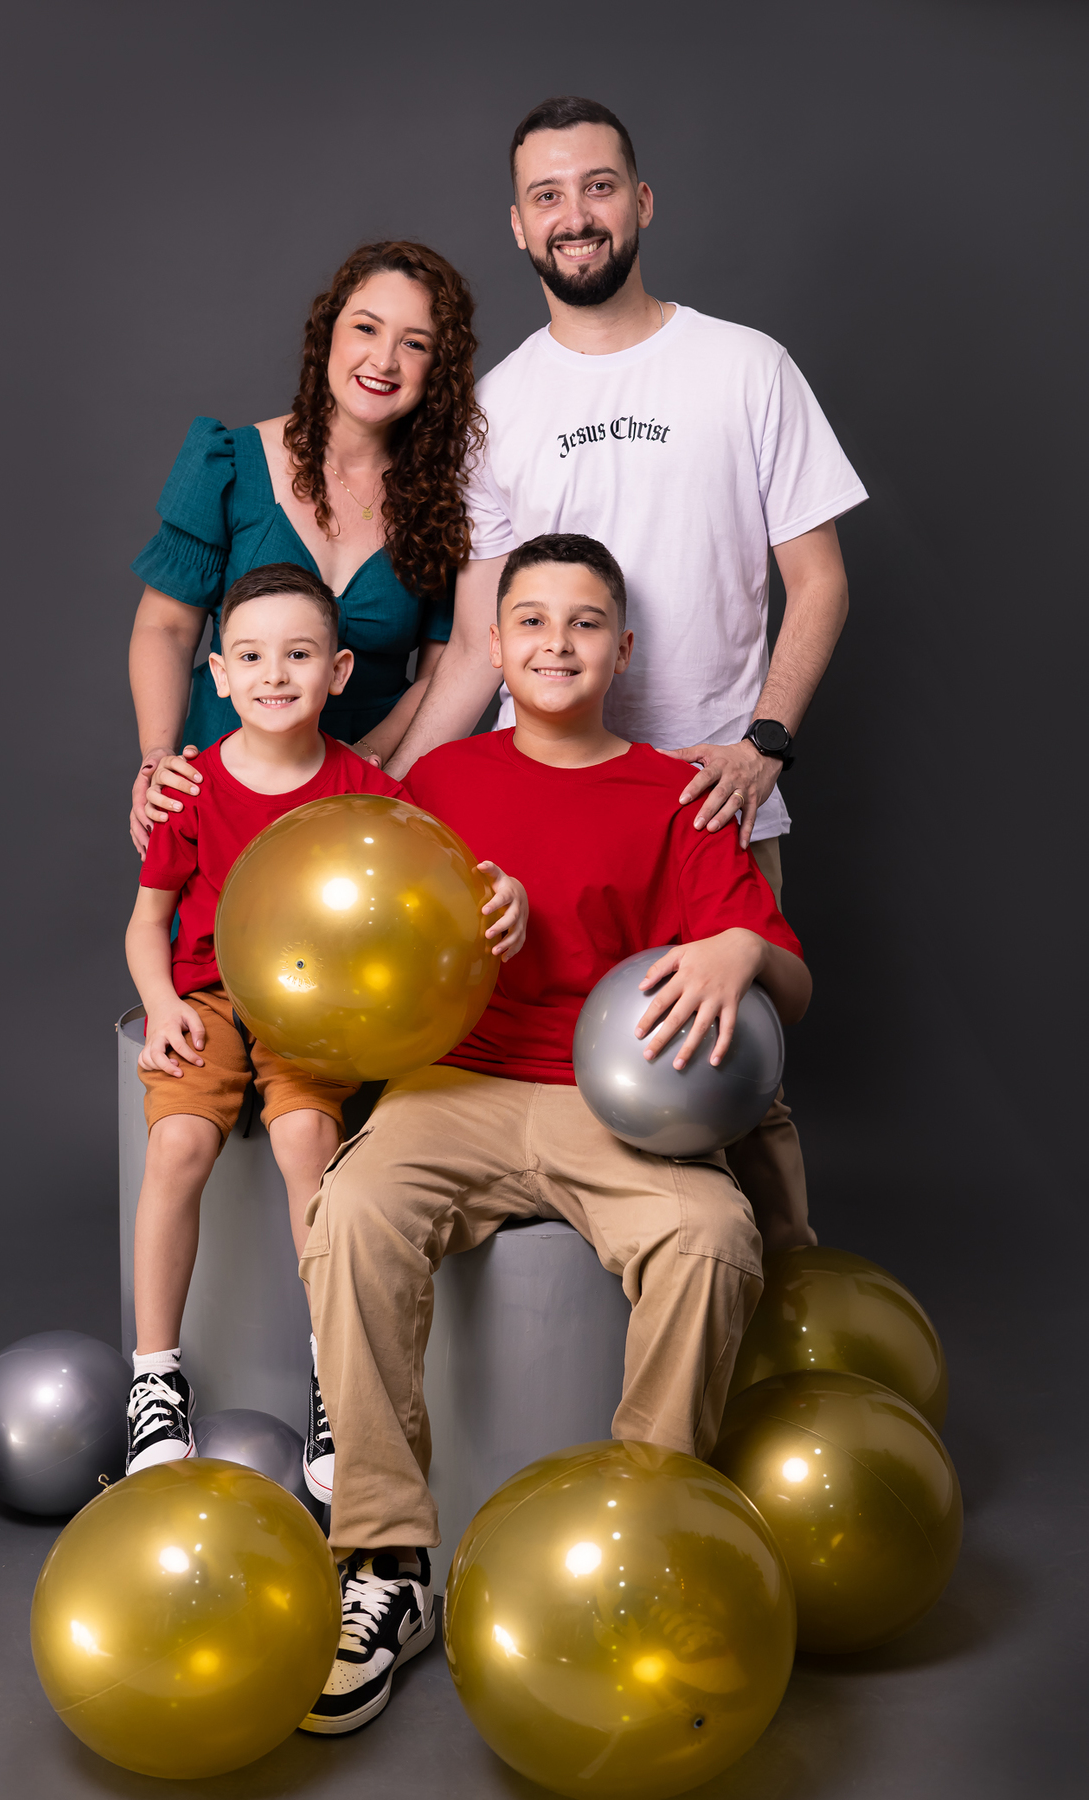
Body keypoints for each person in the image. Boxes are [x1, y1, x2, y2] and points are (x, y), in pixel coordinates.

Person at [298, 534, 811, 1735]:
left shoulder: (678, 794)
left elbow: (790, 987)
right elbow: (367, 942)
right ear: (494, 646)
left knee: (710, 1236)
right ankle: (385, 1562)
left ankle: (644, 1532)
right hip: (454, 1085)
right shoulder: (441, 785)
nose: (556, 644)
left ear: (622, 651)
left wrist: (745, 947)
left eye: (584, 624)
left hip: (615, 1108)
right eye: (530, 621)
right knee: (353, 1209)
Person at [381, 96, 867, 1254]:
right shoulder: (497, 408)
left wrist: (765, 743)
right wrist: (376, 796)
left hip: (711, 800)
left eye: (598, 186)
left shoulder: (746, 367)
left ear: (641, 202)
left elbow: (820, 582)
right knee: (523, 1082)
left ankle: (779, 1318)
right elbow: (475, 645)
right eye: (547, 195)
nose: (576, 214)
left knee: (734, 1095)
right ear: (518, 225)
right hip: (543, 814)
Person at [124, 562, 525, 1485]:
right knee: (178, 1145)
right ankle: (154, 1377)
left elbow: (437, 886)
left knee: (308, 1139)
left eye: (299, 655)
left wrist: (501, 890)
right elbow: (147, 924)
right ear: (218, 674)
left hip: (315, 1008)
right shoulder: (191, 789)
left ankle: (331, 1369)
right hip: (207, 997)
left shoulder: (365, 793)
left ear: (339, 671)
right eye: (251, 657)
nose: (274, 674)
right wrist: (162, 1002)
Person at [127, 239, 484, 856]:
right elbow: (165, 627)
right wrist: (158, 757)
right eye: (366, 327)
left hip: (368, 805)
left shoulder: (446, 501)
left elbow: (441, 671)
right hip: (222, 794)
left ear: (438, 369)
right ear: (329, 332)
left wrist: (367, 767)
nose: (384, 360)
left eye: (415, 343)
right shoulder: (227, 463)